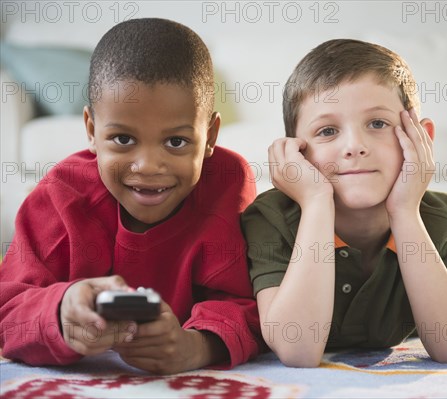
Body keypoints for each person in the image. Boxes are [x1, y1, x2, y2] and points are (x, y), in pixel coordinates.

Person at [0, 18, 262, 374]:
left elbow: (253, 304)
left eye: (177, 142)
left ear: (211, 135)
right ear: (92, 130)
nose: (148, 166)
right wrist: (60, 313)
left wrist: (197, 347)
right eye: (123, 139)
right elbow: (8, 310)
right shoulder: (60, 196)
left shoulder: (228, 184)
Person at [241, 39, 447, 368]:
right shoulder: (269, 218)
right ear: (295, 152)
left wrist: (405, 212)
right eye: (327, 130)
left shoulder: (440, 217)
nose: (354, 146)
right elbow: (298, 350)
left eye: (377, 124)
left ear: (422, 138)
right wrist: (317, 204)